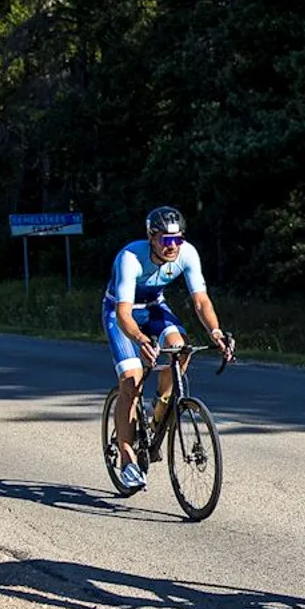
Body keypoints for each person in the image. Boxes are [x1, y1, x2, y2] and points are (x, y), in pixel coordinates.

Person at [104, 206, 231, 490]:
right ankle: (126, 458)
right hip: (120, 313)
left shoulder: (188, 254)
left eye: (178, 239)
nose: (173, 246)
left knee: (180, 347)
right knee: (131, 380)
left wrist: (216, 331)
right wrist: (140, 340)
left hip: (152, 308)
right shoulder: (130, 258)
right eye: (166, 240)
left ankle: (158, 412)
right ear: (152, 238)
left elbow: (201, 301)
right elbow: (123, 313)